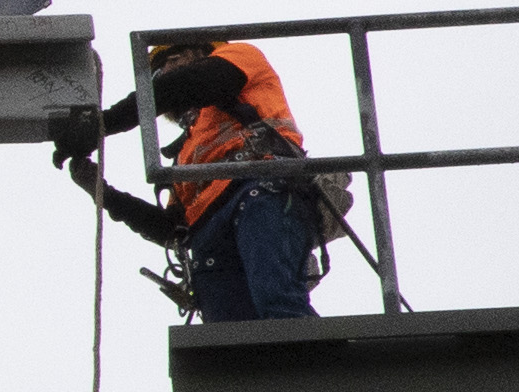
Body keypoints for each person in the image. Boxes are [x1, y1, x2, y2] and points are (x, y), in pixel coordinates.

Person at [45, 36, 336, 322]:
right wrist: (104, 194)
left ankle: (317, 365)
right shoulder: (188, 152)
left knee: (278, 304)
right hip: (209, 235)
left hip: (262, 190)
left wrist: (100, 125)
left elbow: (187, 84)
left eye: (159, 74)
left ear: (182, 56)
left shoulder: (240, 58)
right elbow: (173, 229)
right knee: (230, 341)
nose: (158, 87)